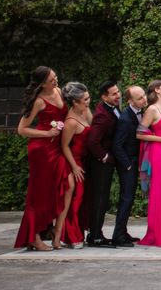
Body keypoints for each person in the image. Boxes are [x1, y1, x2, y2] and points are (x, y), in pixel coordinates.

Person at [14, 66, 69, 251]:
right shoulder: (38, 101)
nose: (56, 81)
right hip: (42, 151)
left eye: (55, 77)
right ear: (42, 83)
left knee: (63, 185)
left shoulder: (60, 91)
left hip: (58, 148)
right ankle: (34, 237)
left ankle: (51, 229)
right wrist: (46, 133)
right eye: (52, 80)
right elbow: (22, 129)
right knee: (39, 194)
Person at [137, 80, 161, 247]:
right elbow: (140, 133)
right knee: (158, 192)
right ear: (157, 90)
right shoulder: (152, 109)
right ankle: (156, 235)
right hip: (158, 153)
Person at [85, 80, 121, 248]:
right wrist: (105, 157)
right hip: (100, 163)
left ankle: (96, 233)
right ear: (104, 97)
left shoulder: (112, 109)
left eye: (118, 92)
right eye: (113, 94)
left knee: (103, 197)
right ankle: (95, 236)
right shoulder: (102, 114)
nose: (118, 95)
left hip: (106, 161)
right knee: (100, 198)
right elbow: (92, 142)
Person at [112, 85, 147, 247]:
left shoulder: (142, 113)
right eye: (139, 98)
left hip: (135, 162)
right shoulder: (125, 118)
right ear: (130, 101)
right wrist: (127, 166)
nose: (144, 99)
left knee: (129, 198)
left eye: (144, 95)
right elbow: (117, 145)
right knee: (126, 199)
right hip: (128, 164)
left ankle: (123, 232)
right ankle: (118, 236)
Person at [60, 82, 93, 249]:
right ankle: (71, 236)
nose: (88, 101)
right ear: (75, 102)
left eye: (88, 98)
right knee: (76, 197)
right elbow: (64, 146)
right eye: (85, 99)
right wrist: (73, 167)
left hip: (86, 161)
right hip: (75, 162)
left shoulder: (85, 112)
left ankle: (80, 232)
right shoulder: (71, 121)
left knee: (84, 199)